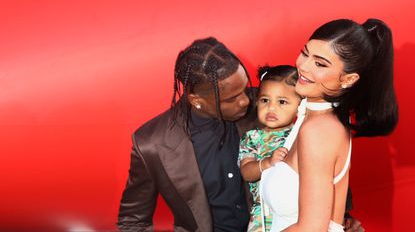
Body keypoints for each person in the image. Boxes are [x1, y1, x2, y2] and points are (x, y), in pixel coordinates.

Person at [117, 36, 365, 232]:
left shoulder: (271, 104)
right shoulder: (151, 143)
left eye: (245, 87)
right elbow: (132, 220)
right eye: (232, 98)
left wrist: (340, 216)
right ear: (197, 100)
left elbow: (319, 155)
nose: (248, 100)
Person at [261, 18, 398, 232]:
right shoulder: (311, 112)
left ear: (348, 79)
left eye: (320, 64)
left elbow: (311, 229)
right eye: (305, 53)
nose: (303, 66)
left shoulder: (319, 131)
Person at [238, 65, 301, 232]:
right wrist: (267, 162)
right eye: (265, 100)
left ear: (300, 105)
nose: (271, 108)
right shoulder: (252, 137)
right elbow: (246, 172)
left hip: (299, 211)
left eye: (282, 102)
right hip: (264, 215)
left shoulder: (302, 134)